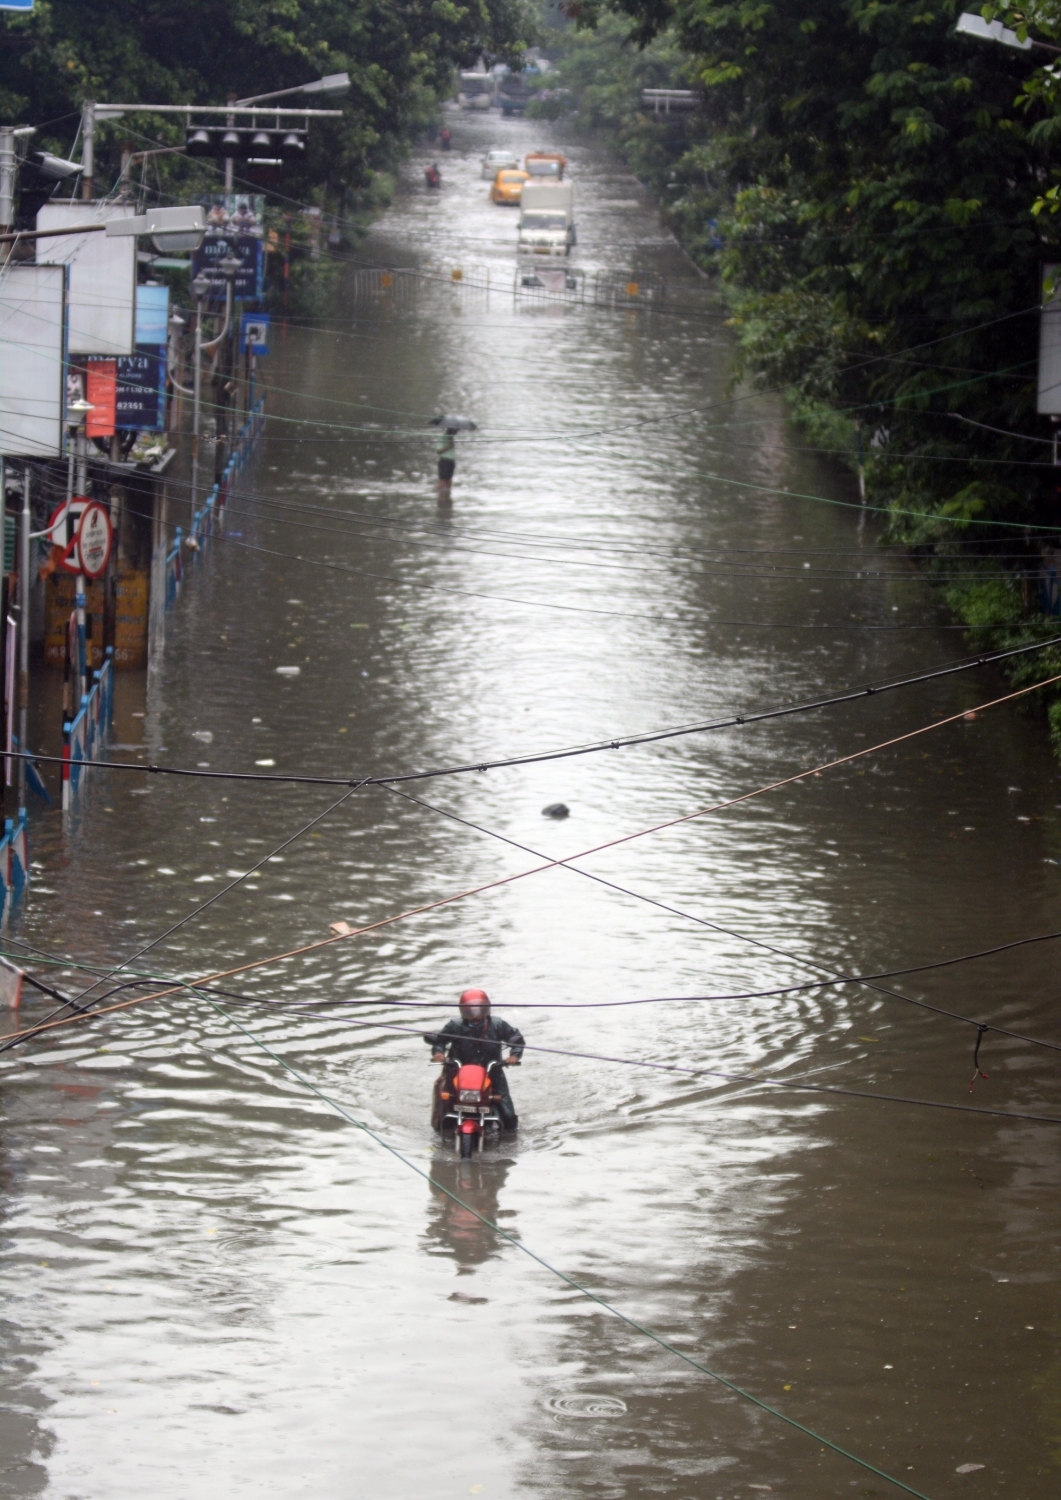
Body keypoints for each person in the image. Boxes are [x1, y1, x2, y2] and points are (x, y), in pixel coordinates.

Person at [425, 989, 524, 1132]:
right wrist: (438, 1052)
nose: (475, 1016)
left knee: (509, 1119)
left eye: (479, 1011)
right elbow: (439, 1041)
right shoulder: (455, 1026)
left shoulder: (498, 1024)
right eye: (469, 1012)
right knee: (442, 1119)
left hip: (492, 1073)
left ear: (486, 1009)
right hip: (458, 1074)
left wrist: (514, 1055)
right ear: (463, 1012)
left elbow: (516, 1040)